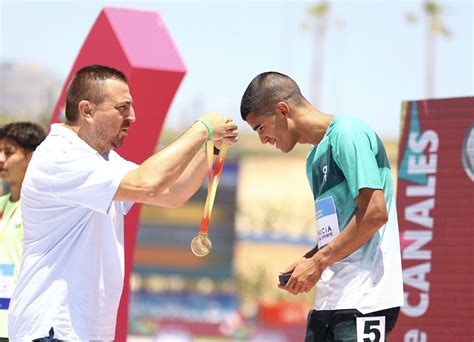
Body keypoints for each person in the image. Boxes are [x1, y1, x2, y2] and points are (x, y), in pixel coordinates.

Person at [7, 65, 238, 341]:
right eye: (122, 108)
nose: (132, 117)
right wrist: (202, 129)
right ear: (87, 110)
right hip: (53, 329)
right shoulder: (61, 155)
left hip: (82, 331)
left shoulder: (103, 161)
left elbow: (174, 193)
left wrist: (210, 148)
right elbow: (148, 184)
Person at [240, 72, 403, 341]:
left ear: (282, 110)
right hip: (328, 301)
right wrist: (309, 260)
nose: (263, 139)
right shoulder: (313, 160)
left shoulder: (348, 133)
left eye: (260, 128)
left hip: (365, 300)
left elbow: (374, 214)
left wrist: (317, 262)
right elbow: (335, 233)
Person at [0, 122, 46, 341]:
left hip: (24, 323)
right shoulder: (1, 204)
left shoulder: (45, 207)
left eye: (9, 152)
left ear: (31, 157)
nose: (1, 159)